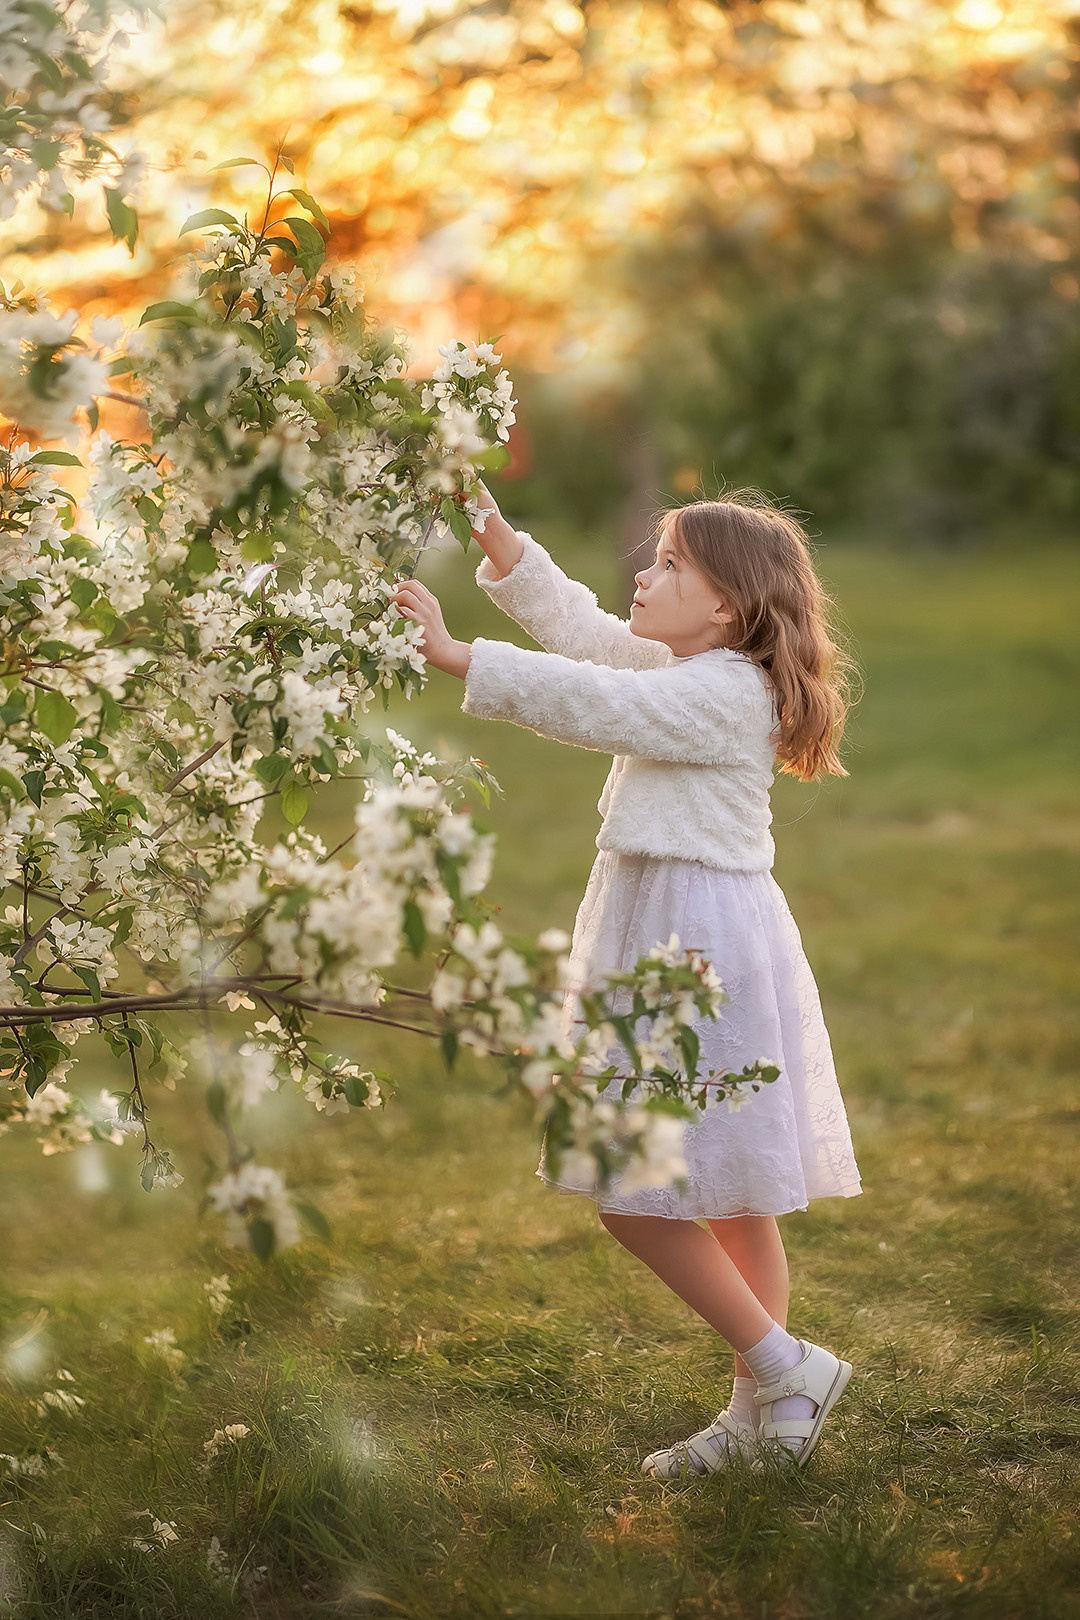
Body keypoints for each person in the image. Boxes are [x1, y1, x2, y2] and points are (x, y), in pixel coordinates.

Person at [390, 483, 863, 1478]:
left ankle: (785, 1367)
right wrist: (495, 533)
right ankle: (761, 1416)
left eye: (670, 566)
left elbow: (601, 701)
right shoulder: (696, 665)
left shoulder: (722, 690)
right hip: (677, 930)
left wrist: (460, 656)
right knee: (733, 1198)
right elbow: (589, 638)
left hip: (695, 950)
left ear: (728, 607)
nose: (644, 577)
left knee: (633, 1189)